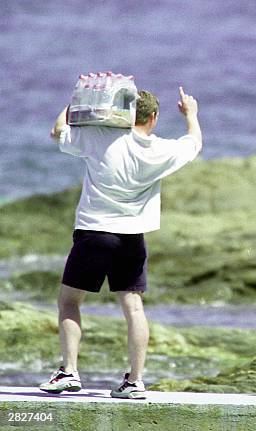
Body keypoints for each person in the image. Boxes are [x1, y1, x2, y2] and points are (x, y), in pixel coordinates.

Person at [39, 86, 202, 399]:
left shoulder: (101, 137)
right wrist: (191, 114)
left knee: (70, 301)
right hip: (132, 237)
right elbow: (194, 143)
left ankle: (69, 371)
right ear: (153, 118)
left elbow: (57, 131)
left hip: (94, 232)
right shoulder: (160, 150)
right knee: (133, 307)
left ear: (124, 114)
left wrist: (78, 100)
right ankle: (135, 380)